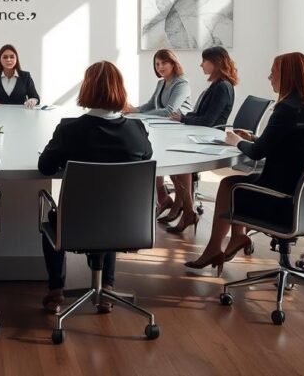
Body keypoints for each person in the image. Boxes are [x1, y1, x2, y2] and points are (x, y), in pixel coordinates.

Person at [185, 52, 304, 275]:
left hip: (283, 198)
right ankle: (236, 238)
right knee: (236, 183)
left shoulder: (286, 109)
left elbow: (257, 154)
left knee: (228, 186)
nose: (269, 78)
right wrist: (253, 138)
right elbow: (286, 142)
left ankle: (214, 249)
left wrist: (237, 142)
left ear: (286, 76)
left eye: (273, 73)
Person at [38, 61, 153, 313]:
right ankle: (107, 288)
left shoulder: (70, 130)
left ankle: (56, 290)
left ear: (86, 89)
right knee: (109, 206)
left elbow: (45, 167)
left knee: (52, 217)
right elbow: (146, 156)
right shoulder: (136, 130)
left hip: (75, 224)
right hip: (127, 223)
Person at [165, 45, 239, 234]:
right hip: (203, 135)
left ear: (215, 63)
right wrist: (185, 117)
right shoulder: (217, 85)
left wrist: (183, 118)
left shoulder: (222, 87)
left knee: (179, 163)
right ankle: (185, 209)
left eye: (204, 61)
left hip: (210, 139)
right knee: (174, 163)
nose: (201, 65)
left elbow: (208, 121)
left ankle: (187, 211)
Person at [124, 49, 192, 223]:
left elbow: (170, 111)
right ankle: (163, 197)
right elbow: (150, 105)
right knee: (152, 152)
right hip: (164, 128)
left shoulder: (181, 83)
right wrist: (133, 110)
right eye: (157, 64)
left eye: (164, 63)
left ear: (173, 63)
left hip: (180, 130)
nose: (160, 67)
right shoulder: (161, 83)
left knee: (173, 164)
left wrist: (142, 115)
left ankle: (179, 203)